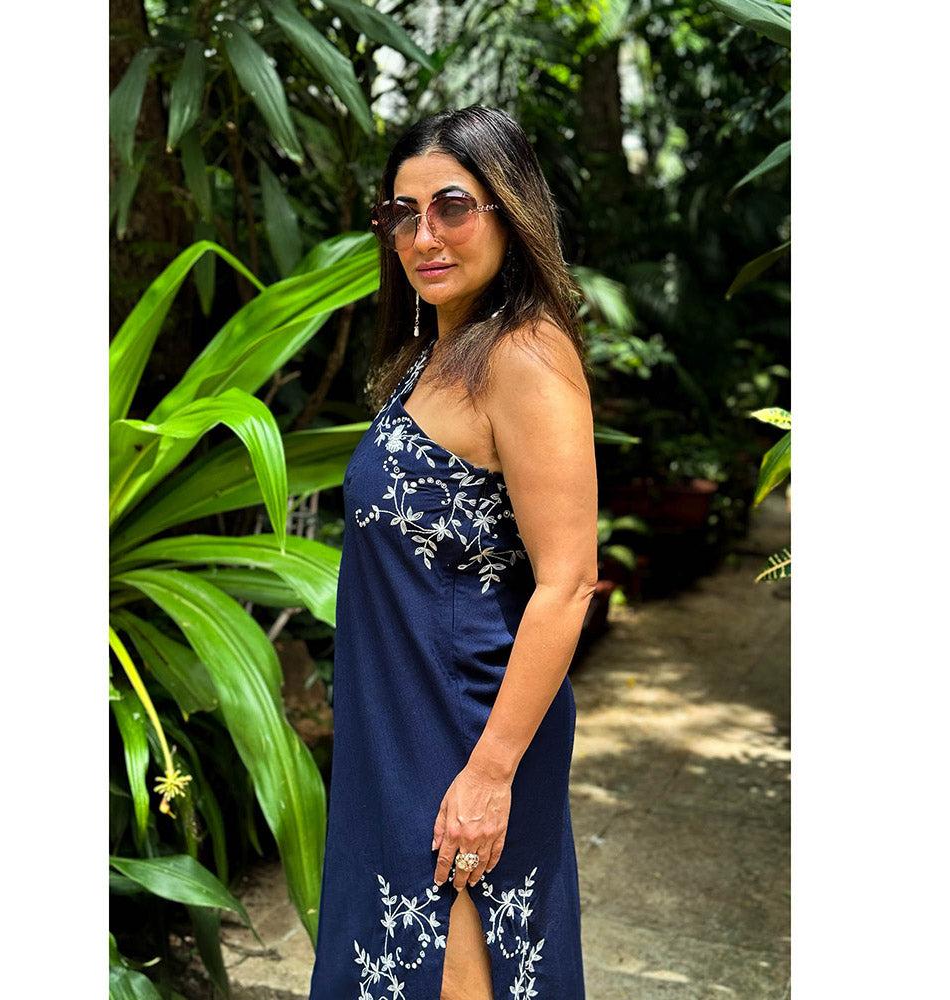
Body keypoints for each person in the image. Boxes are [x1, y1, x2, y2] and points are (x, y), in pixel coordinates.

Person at [308, 105, 598, 1000]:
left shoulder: (524, 356)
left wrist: (490, 773)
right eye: (403, 214)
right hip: (395, 733)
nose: (423, 235)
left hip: (464, 736)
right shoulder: (433, 355)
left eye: (452, 207)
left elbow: (568, 582)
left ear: (511, 211)